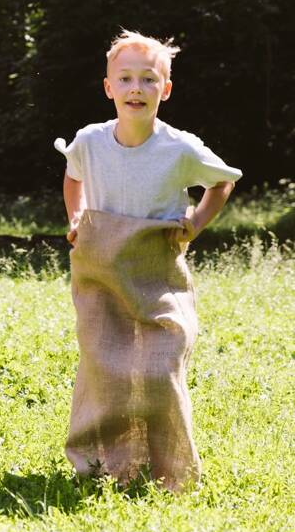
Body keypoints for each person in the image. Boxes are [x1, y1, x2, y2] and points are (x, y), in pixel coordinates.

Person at [55, 29, 241, 490]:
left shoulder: (179, 148)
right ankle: (101, 462)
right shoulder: (91, 141)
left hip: (157, 272)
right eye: (126, 79)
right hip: (101, 269)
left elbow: (222, 182)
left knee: (160, 366)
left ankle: (168, 466)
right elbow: (72, 176)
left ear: (166, 89)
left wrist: (195, 223)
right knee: (104, 365)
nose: (136, 88)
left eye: (148, 80)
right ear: (109, 87)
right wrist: (77, 216)